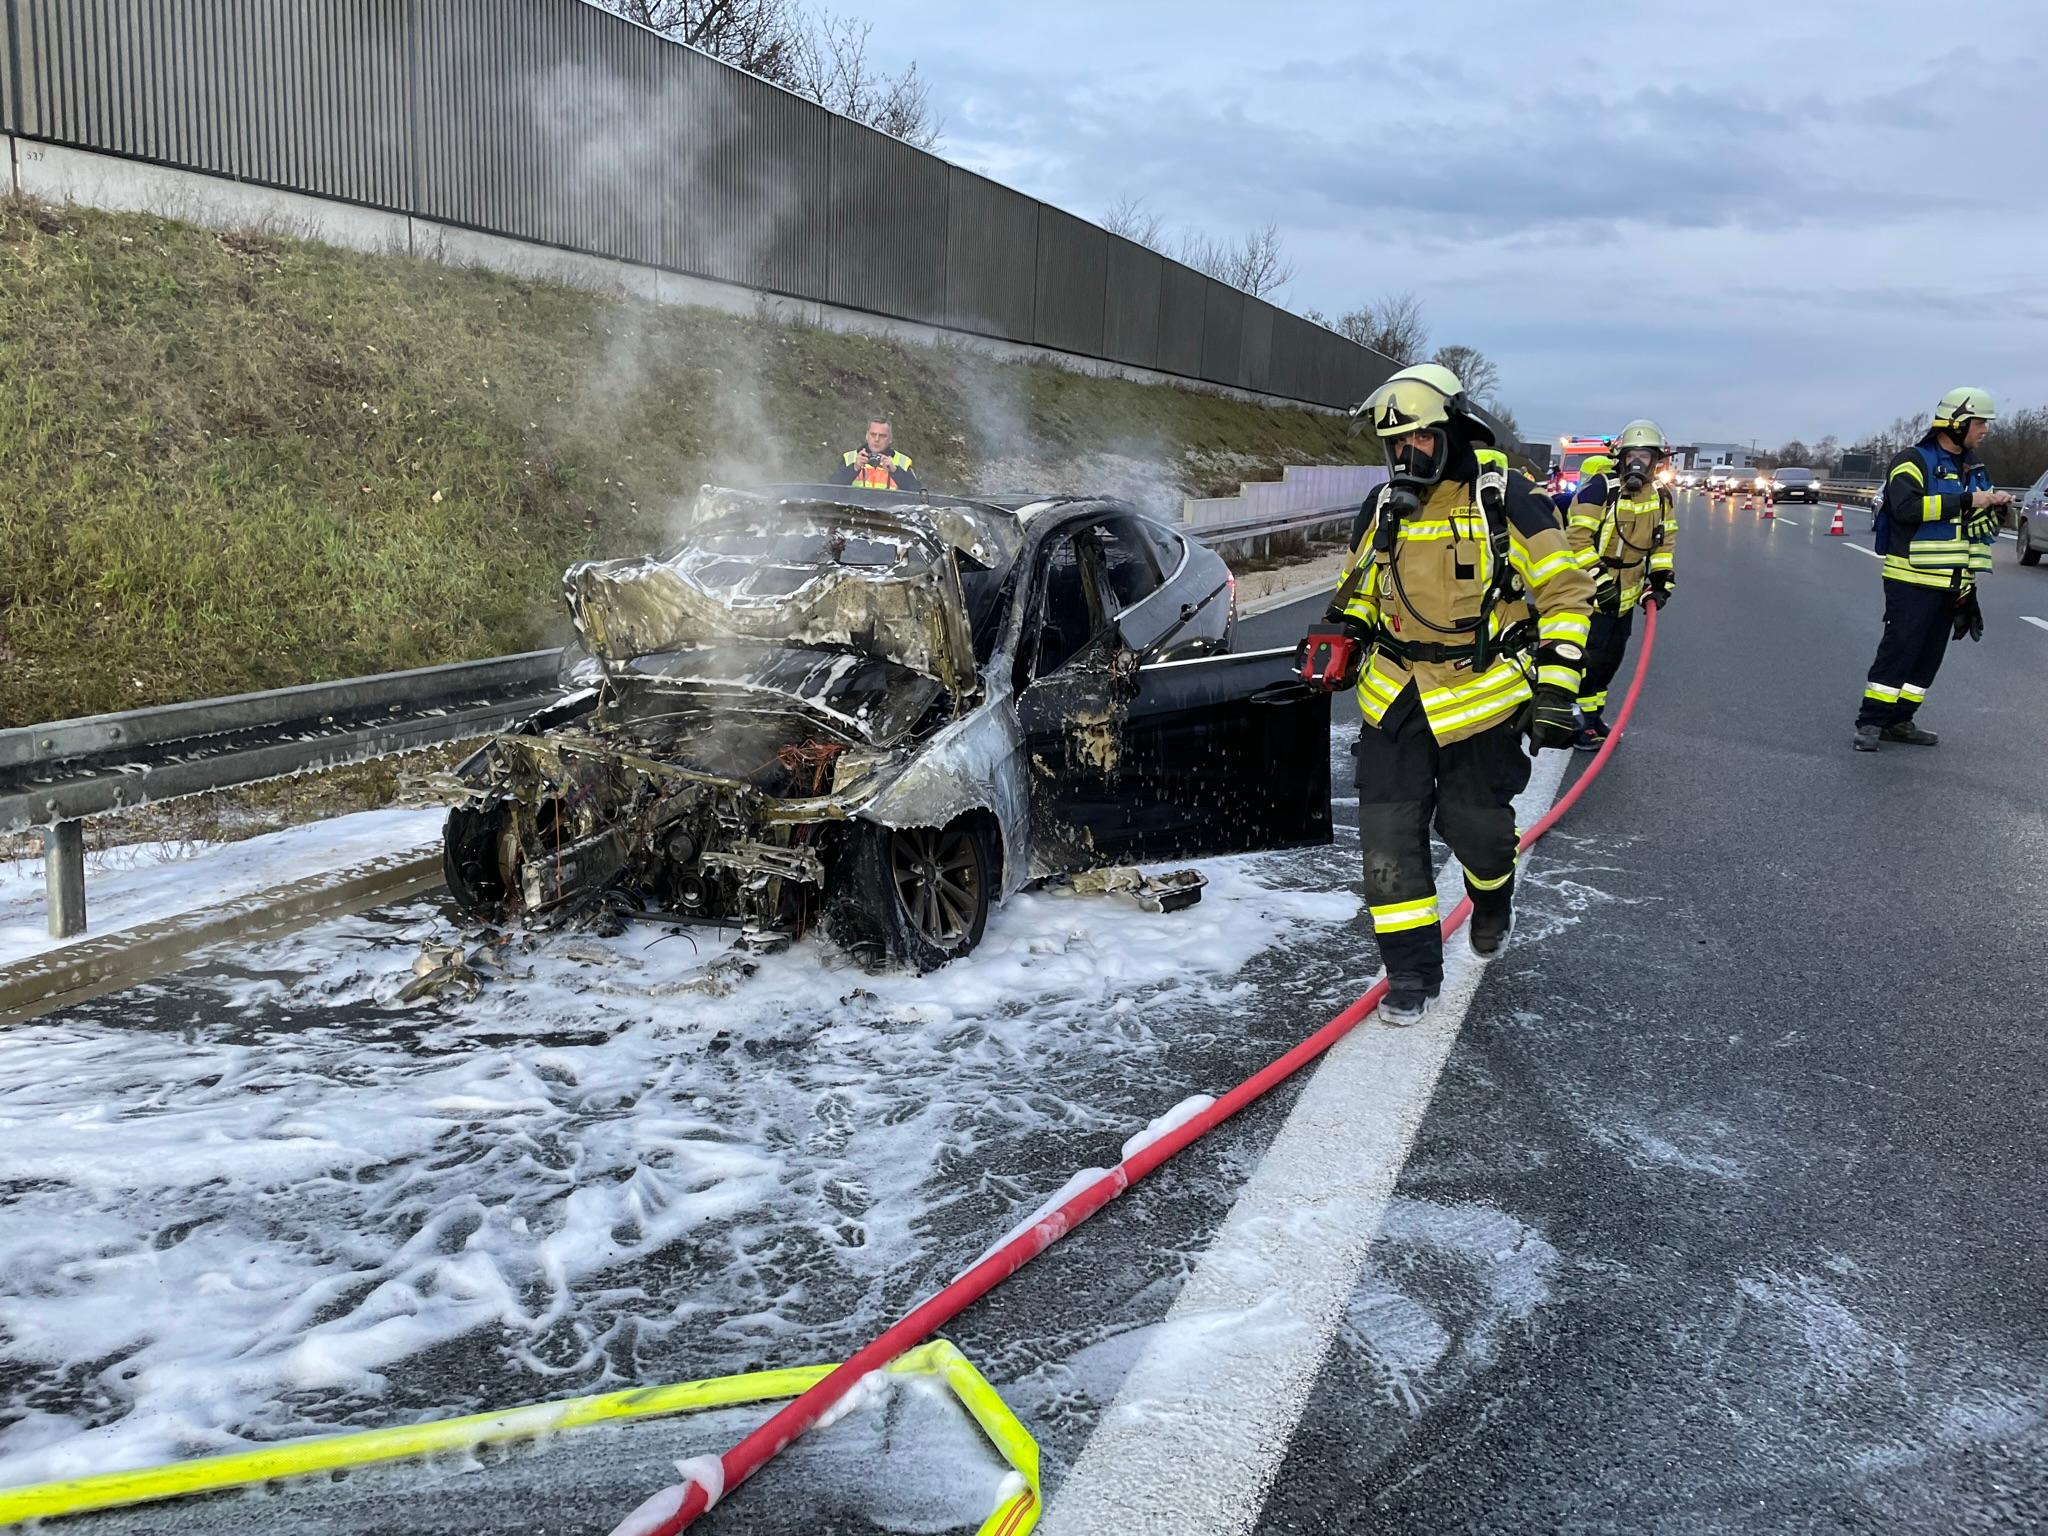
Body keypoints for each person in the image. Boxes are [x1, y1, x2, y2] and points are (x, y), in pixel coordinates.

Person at [1306, 364, 1594, 1025]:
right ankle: (1410, 972)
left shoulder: (1505, 500)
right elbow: (1360, 589)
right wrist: (1345, 630)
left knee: (1479, 833)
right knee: (1385, 839)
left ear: (1453, 434)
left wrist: (1557, 687)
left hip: (1480, 698)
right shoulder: (1381, 509)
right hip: (1395, 696)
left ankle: (1492, 899)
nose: (1406, 457)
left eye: (1420, 442)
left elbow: (1566, 591)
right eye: (1395, 446)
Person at [1853, 388, 2005, 751]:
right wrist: (1968, 500)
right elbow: (1905, 508)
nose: (1985, 430)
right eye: (1980, 422)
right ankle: (1871, 723)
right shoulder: (1913, 461)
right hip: (1911, 579)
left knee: (1928, 657)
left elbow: (1977, 532)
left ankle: (1901, 721)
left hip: (1953, 581)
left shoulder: (1973, 468)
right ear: (1957, 423)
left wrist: (1996, 507)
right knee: (1900, 649)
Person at [1565, 419, 1677, 750]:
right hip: (1591, 596)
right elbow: (1576, 540)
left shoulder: (1661, 496)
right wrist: (1600, 582)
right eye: (1632, 456)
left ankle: (1592, 717)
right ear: (1621, 458)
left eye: (1646, 456)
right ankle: (1573, 721)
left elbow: (1664, 542)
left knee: (1609, 662)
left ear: (1657, 461)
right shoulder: (1600, 489)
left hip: (1625, 598)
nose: (1638, 464)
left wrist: (1659, 580)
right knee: (1586, 660)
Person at [830, 419, 922, 491]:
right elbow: (831, 489)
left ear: (890, 439)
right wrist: (854, 468)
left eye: (882, 436)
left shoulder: (903, 461)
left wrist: (895, 471)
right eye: (873, 434)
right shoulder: (849, 458)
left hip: (888, 513)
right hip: (855, 512)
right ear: (867, 436)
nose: (877, 439)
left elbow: (917, 494)